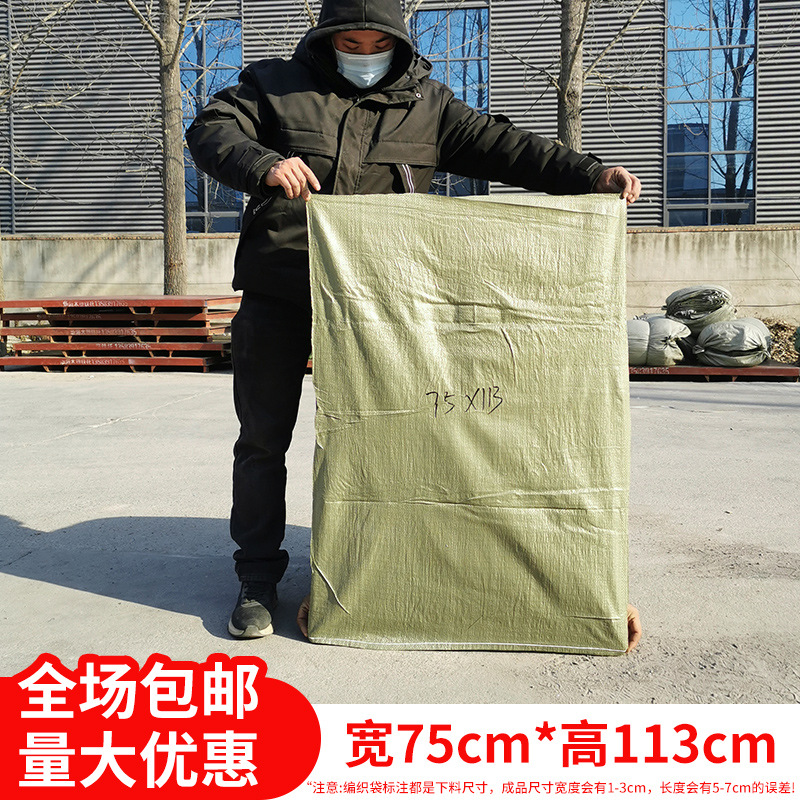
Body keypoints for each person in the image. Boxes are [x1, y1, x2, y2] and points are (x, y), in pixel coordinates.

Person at [186, 0, 643, 651]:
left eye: (376, 43)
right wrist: (262, 164)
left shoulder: (428, 106)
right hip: (281, 289)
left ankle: (377, 568)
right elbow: (211, 130)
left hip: (378, 304)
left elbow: (506, 146)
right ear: (326, 39)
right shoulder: (273, 86)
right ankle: (257, 578)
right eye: (350, 42)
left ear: (398, 44)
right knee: (263, 438)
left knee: (384, 439)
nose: (364, 54)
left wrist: (589, 174)